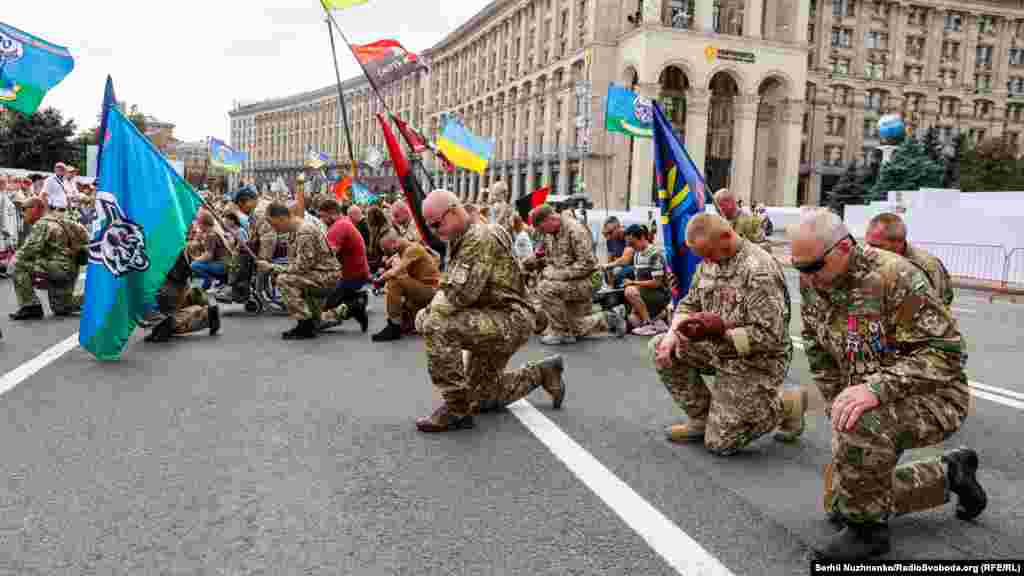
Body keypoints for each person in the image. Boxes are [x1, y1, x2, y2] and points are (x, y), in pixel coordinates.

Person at [791, 208, 986, 560]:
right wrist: (838, 399)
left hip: (934, 395)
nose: (808, 278)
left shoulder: (895, 278)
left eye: (814, 267)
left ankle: (868, 536)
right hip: (870, 398)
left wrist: (875, 389)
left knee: (860, 472)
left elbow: (948, 353)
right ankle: (950, 473)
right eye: (799, 269)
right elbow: (815, 343)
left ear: (845, 248)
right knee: (842, 504)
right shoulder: (815, 282)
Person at [649, 213, 804, 453]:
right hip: (716, 348)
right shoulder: (710, 261)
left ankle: (787, 404)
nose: (706, 260)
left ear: (726, 236)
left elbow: (770, 336)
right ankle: (702, 418)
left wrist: (722, 334)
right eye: (703, 256)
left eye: (709, 254)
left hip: (755, 360)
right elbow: (689, 304)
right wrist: (672, 334)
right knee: (660, 345)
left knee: (721, 442)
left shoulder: (759, 269)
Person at [414, 190, 566, 432]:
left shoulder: (478, 237)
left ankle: (456, 410)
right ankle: (543, 373)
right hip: (497, 316)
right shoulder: (466, 233)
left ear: (453, 211)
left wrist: (424, 313)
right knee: (481, 397)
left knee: (436, 324)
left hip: (508, 320)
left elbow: (458, 294)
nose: (433, 230)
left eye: (435, 224)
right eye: (429, 226)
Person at [524, 203, 626, 345]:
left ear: (549, 219)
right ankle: (607, 319)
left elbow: (587, 264)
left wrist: (558, 275)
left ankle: (561, 333)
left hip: (588, 280)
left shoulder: (575, 230)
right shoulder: (550, 234)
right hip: (568, 283)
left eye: (541, 228)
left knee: (545, 288)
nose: (542, 232)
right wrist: (529, 262)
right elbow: (549, 258)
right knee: (573, 326)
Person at [257, 202, 342, 340]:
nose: (275, 229)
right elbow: (297, 264)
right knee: (285, 276)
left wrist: (272, 267)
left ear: (282, 218)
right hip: (319, 273)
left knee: (284, 280)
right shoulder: (295, 231)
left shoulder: (304, 231)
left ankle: (305, 325)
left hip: (327, 276)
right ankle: (313, 319)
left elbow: (302, 266)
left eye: (274, 225)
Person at [9, 198, 89, 320]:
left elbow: (28, 250)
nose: (22, 214)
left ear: (35, 209)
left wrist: (10, 263)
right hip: (70, 269)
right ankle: (94, 297)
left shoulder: (42, 224)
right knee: (61, 307)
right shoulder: (61, 220)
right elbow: (85, 237)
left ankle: (30, 306)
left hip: (56, 269)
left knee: (17, 265)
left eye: (24, 210)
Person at [866, 212, 954, 309]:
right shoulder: (872, 260)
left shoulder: (927, 265)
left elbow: (940, 302)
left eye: (877, 246)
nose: (869, 250)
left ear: (898, 243)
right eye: (868, 244)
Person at [372, 226, 441, 342]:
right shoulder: (405, 250)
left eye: (385, 249)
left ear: (393, 244)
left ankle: (394, 326)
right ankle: (399, 322)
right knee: (396, 282)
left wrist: (379, 280)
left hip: (430, 291)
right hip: (423, 291)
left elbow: (396, 272)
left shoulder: (412, 250)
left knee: (395, 280)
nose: (384, 253)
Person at [145, 250, 222, 342]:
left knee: (165, 316)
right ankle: (160, 326)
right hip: (174, 280)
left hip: (171, 282)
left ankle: (208, 315)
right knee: (159, 310)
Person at [318, 200, 370, 332]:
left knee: (325, 305)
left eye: (323, 216)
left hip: (351, 275)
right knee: (332, 299)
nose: (322, 220)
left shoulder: (339, 226)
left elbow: (328, 254)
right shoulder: (344, 222)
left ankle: (356, 304)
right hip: (356, 272)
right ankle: (356, 303)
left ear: (333, 214)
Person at [621, 224, 672, 335]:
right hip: (646, 292)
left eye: (633, 243)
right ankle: (659, 320)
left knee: (629, 291)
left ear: (642, 238)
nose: (631, 247)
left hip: (660, 293)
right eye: (629, 244)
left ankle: (648, 323)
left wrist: (634, 283)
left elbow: (656, 283)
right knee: (632, 319)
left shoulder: (654, 254)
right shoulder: (637, 254)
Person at [600, 216, 635, 288]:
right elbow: (609, 260)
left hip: (633, 267)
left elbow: (626, 260)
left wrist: (610, 266)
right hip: (619, 267)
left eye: (610, 232)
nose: (608, 237)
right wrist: (609, 280)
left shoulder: (628, 235)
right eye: (606, 234)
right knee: (607, 273)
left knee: (617, 271)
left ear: (618, 228)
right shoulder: (610, 240)